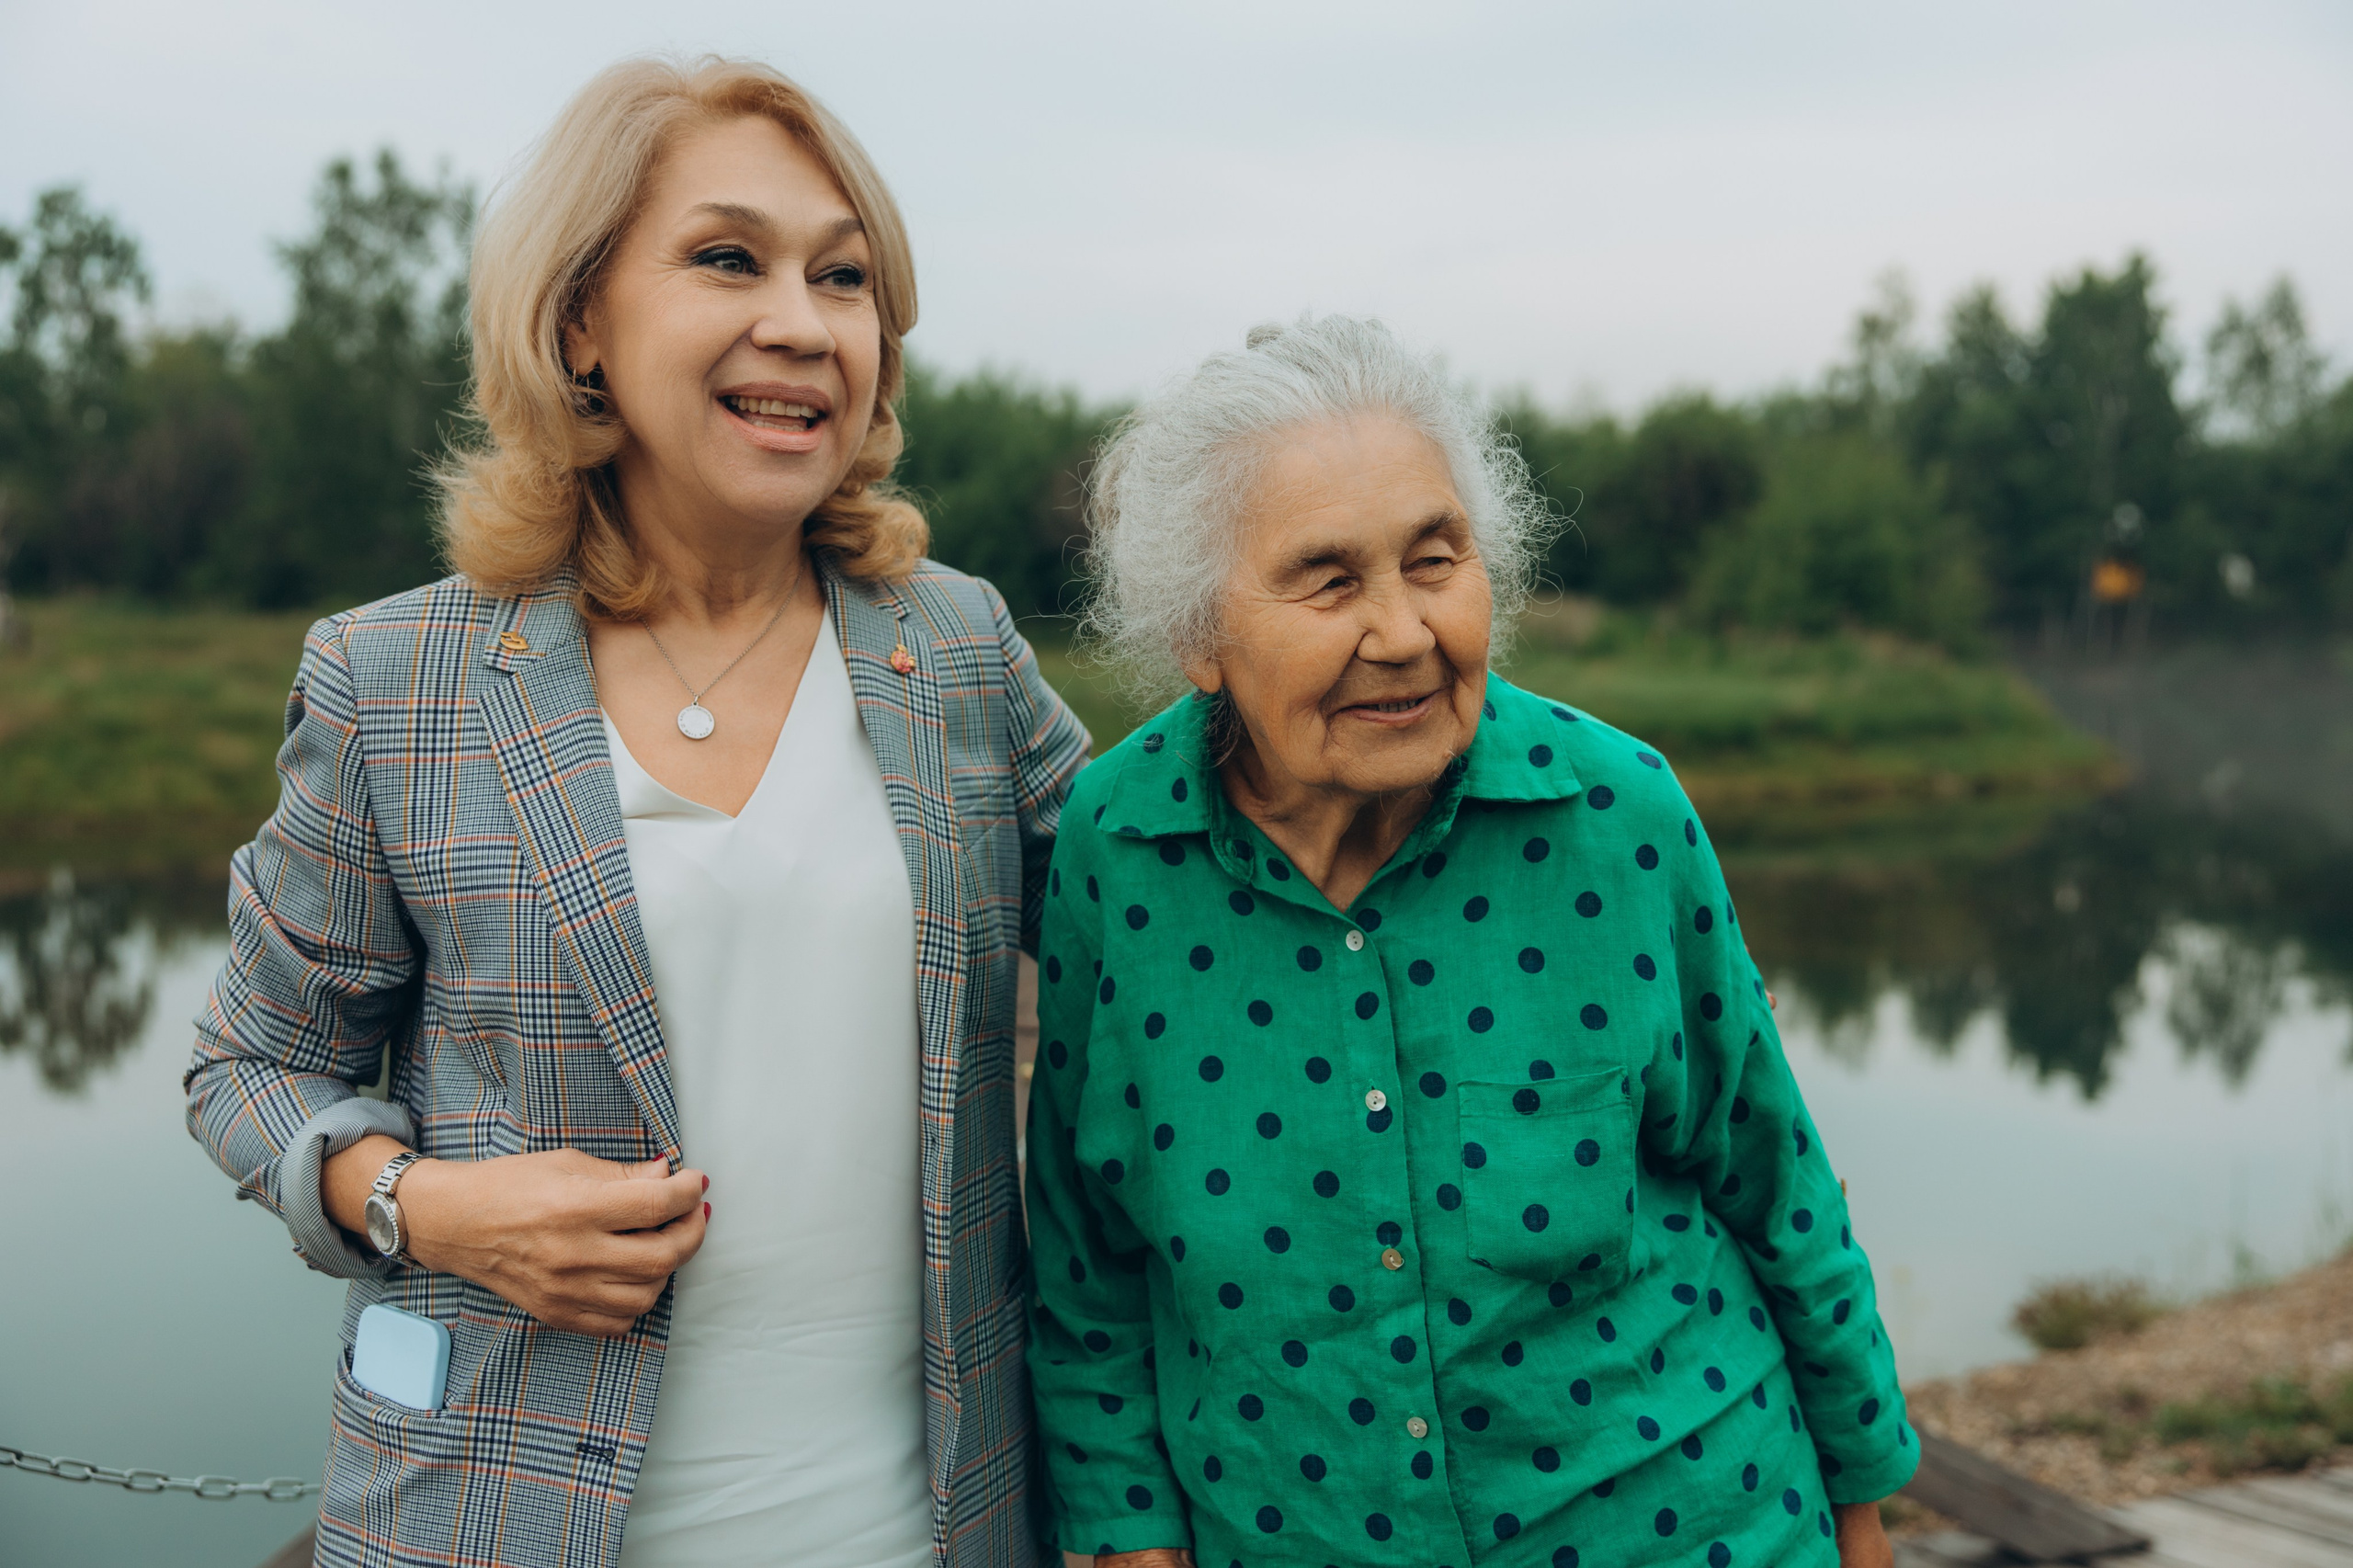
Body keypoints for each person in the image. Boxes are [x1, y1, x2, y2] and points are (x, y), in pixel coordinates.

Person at [184, 56, 1086, 1568]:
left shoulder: (962, 649)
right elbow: (251, 1063)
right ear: (580, 320)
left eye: (844, 277)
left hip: (922, 1530)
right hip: (489, 1526)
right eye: (728, 258)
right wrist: (427, 1205)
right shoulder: (393, 677)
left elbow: (1167, 910)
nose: (800, 321)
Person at [1023, 316, 1911, 1567]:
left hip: (1691, 1527)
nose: (1402, 633)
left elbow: (1779, 1187)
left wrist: (1863, 1524)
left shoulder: (1616, 814)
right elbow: (1086, 1262)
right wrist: (1130, 1541)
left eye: (1435, 561)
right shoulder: (1119, 852)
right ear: (1199, 637)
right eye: (1330, 581)